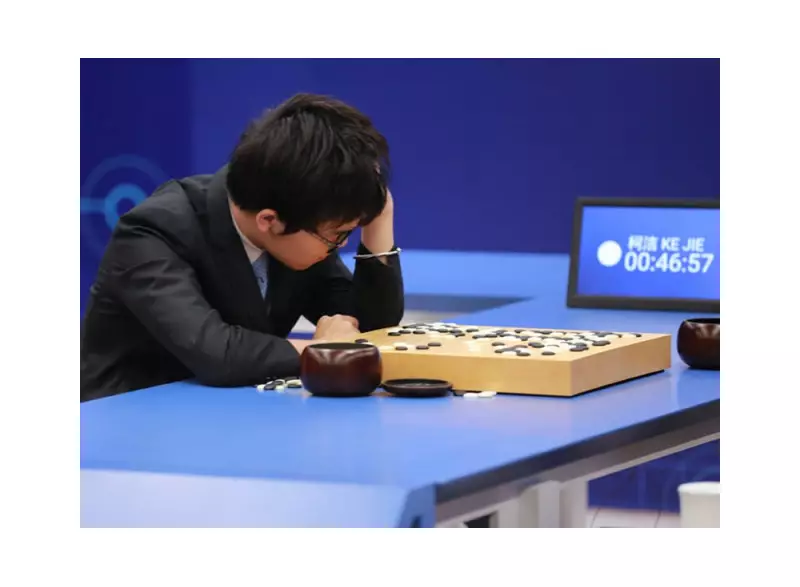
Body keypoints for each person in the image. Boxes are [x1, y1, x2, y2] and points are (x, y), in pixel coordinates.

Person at [80, 93, 404, 402]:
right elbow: (215, 352)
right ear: (269, 220)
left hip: (233, 415)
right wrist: (322, 349)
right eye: (337, 235)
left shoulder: (298, 216)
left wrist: (379, 217)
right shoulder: (152, 232)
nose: (340, 245)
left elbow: (369, 327)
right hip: (132, 420)